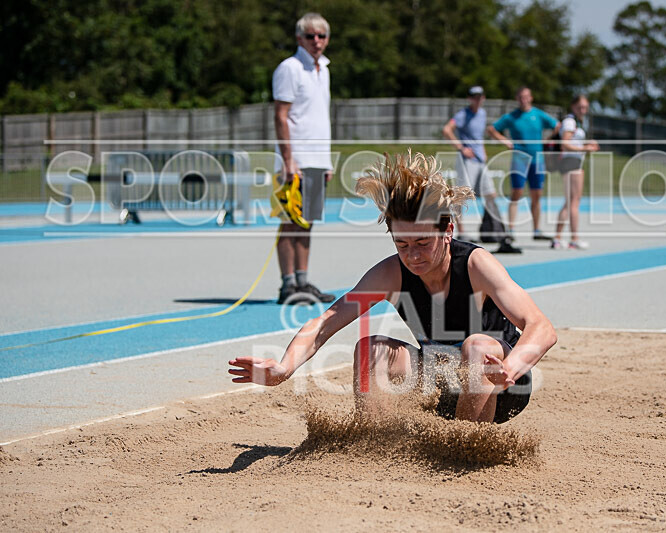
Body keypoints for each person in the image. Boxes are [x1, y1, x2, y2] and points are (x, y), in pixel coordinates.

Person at [229, 152, 557, 424]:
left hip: (504, 387)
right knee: (370, 347)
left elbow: (541, 328)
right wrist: (284, 367)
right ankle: (375, 440)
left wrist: (510, 369)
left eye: (422, 243)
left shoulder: (475, 264)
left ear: (448, 230)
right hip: (442, 382)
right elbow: (326, 322)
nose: (412, 255)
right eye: (401, 244)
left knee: (476, 346)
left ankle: (466, 445)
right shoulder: (391, 273)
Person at [272, 12, 336, 305]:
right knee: (290, 221)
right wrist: (288, 160)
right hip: (294, 160)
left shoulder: (323, 68)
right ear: (299, 38)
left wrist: (327, 161)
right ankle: (287, 284)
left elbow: (319, 118)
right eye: (310, 36)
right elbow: (281, 116)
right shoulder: (290, 68)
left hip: (317, 159)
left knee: (307, 221)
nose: (317, 41)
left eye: (321, 36)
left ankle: (302, 280)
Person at [488, 86, 558, 240]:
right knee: (516, 193)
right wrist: (505, 141)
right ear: (517, 99)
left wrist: (548, 140)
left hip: (537, 160)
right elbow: (492, 129)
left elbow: (557, 126)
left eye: (526, 96)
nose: (523, 99)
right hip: (519, 160)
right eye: (520, 97)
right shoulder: (512, 117)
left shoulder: (538, 115)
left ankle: (537, 230)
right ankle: (510, 230)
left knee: (537, 195)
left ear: (531, 97)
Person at [442, 86, 500, 242]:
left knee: (490, 194)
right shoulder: (463, 115)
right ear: (469, 98)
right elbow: (447, 130)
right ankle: (460, 230)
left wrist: (482, 150)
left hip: (480, 160)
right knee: (461, 195)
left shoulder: (482, 113)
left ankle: (491, 227)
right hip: (467, 160)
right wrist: (461, 147)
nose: (478, 99)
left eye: (480, 96)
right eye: (474, 97)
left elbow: (478, 137)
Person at [552, 95, 599, 250]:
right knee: (574, 202)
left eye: (585, 107)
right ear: (573, 106)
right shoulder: (570, 122)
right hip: (571, 162)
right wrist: (584, 148)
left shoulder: (577, 122)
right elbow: (565, 143)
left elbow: (573, 142)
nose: (583, 110)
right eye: (580, 107)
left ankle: (557, 238)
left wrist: (586, 144)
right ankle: (574, 238)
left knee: (569, 201)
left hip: (573, 161)